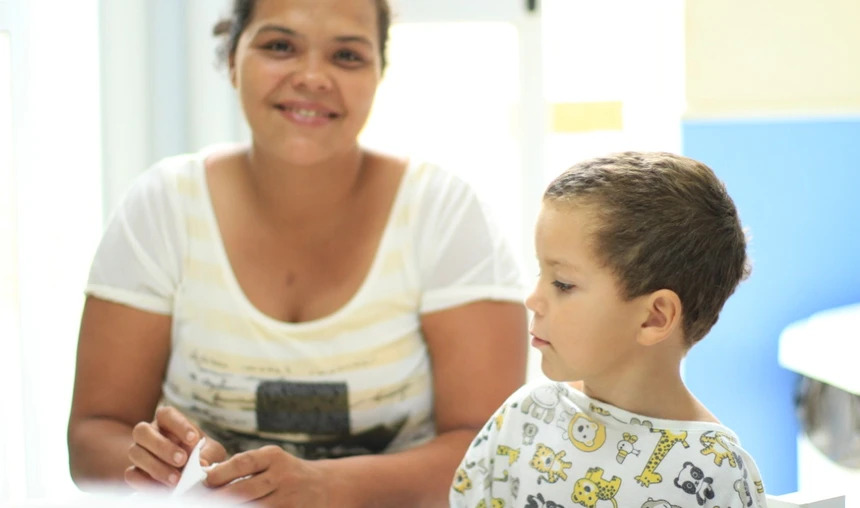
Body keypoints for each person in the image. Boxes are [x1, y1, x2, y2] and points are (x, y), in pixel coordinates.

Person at [67, 0, 528, 506]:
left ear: (379, 73)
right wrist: (168, 469)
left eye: (347, 56)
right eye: (280, 46)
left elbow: (490, 451)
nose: (312, 77)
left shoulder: (444, 212)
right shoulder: (163, 206)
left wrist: (325, 486)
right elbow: (94, 435)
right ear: (231, 59)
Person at [450, 152, 768, 508]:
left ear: (654, 318)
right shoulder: (525, 417)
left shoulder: (714, 471)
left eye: (563, 284)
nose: (533, 299)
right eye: (541, 274)